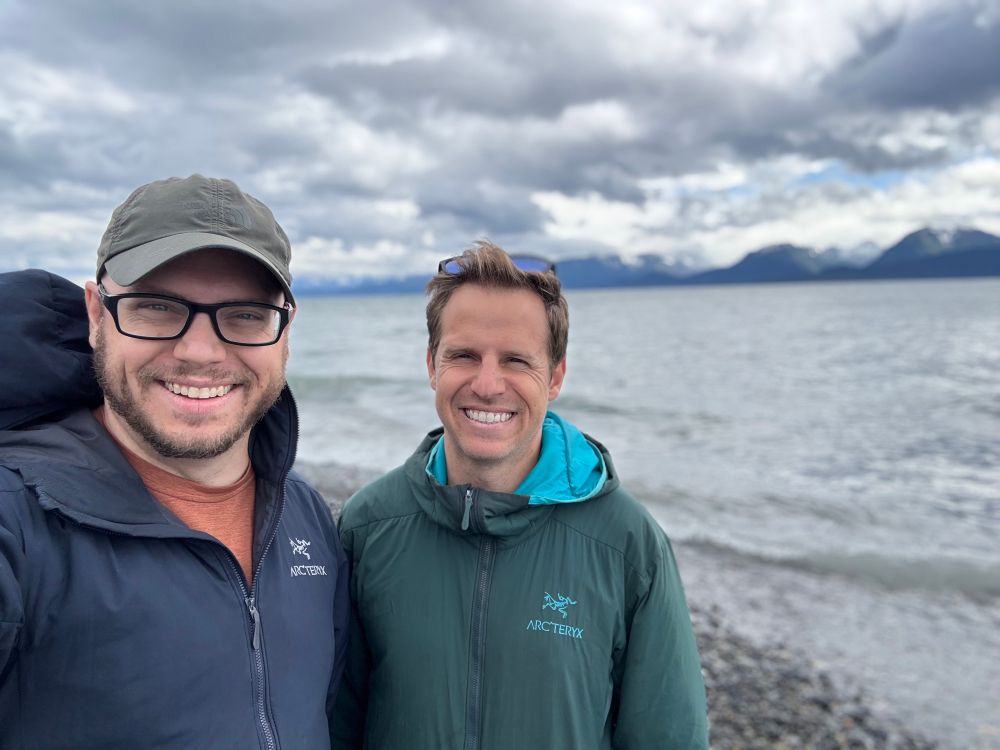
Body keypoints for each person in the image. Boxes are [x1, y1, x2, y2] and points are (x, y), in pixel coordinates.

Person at [0, 175, 349, 749]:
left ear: (285, 330)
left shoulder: (305, 514)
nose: (200, 351)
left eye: (244, 314)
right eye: (157, 307)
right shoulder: (19, 518)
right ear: (96, 315)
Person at [331, 241, 709, 748]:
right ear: (431, 365)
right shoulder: (369, 526)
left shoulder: (627, 543)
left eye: (516, 360)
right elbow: (336, 723)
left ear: (554, 377)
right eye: (464, 355)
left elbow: (668, 735)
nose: (488, 385)